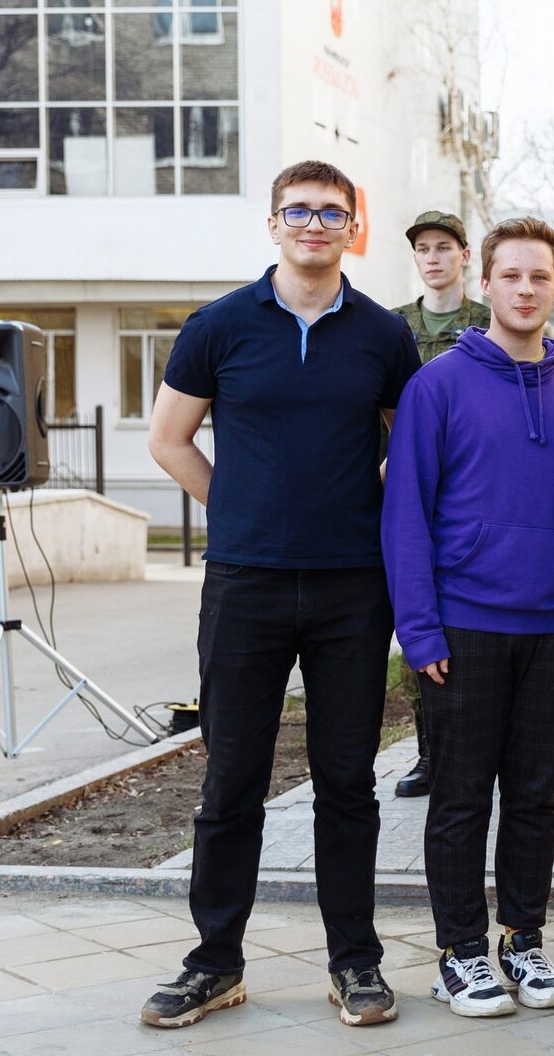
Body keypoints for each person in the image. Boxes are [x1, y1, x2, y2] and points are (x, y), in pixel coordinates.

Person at [144, 160, 420, 1030]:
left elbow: (408, 448)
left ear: (352, 229)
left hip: (352, 589)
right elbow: (168, 438)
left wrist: (361, 505)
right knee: (231, 777)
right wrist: (238, 509)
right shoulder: (219, 326)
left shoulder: (383, 335)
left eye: (332, 213)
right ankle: (214, 962)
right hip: (245, 584)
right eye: (298, 211)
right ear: (273, 224)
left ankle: (355, 961)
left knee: (347, 782)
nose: (314, 224)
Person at [382, 216, 554, 1018]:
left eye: (539, 276)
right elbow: (405, 512)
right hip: (463, 628)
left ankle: (522, 938)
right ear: (485, 284)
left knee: (537, 797)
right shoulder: (437, 385)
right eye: (510, 274)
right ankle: (461, 950)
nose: (525, 288)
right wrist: (419, 628)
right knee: (461, 798)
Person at [386, 210, 492, 799]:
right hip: (404, 478)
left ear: (465, 256)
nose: (433, 257)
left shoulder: (487, 321)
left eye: (444, 247)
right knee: (416, 620)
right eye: (423, 248)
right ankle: (430, 752)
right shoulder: (392, 326)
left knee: (463, 622)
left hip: (470, 482)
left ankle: (475, 751)